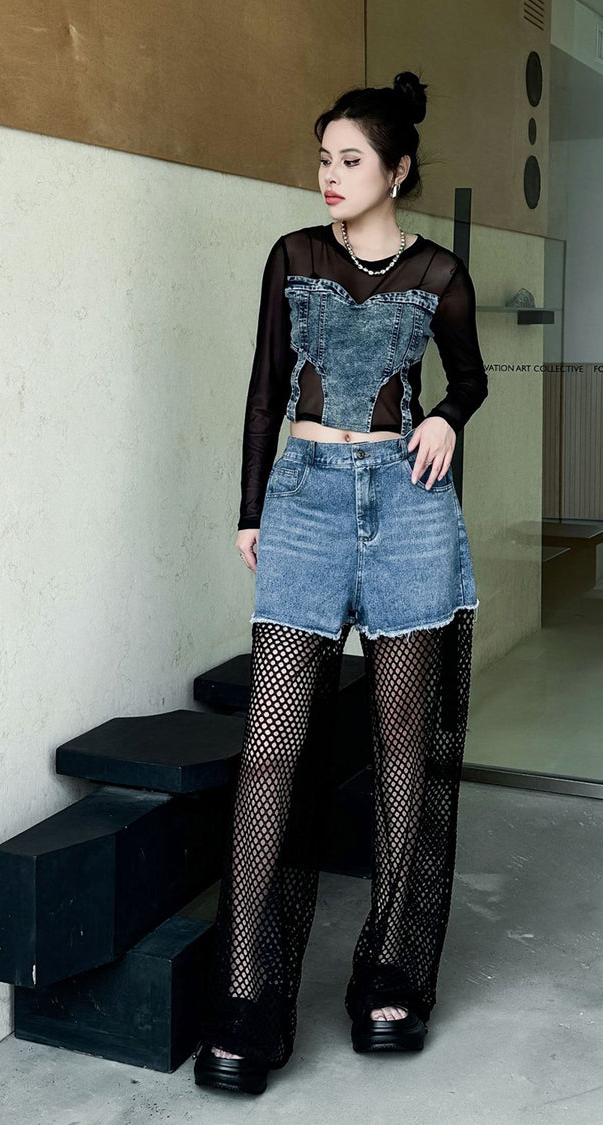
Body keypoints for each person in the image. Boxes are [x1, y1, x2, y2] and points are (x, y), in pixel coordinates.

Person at [193, 70, 488, 1096]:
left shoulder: (441, 271)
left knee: (402, 742)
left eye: (350, 160)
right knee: (272, 749)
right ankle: (248, 994)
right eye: (323, 159)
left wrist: (446, 416)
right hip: (308, 500)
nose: (330, 176)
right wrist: (250, 510)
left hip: (409, 506)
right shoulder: (294, 256)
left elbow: (470, 376)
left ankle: (388, 973)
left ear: (396, 171)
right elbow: (265, 388)